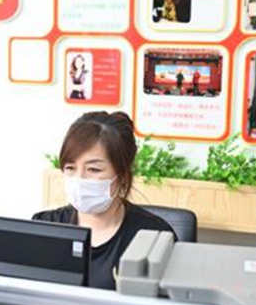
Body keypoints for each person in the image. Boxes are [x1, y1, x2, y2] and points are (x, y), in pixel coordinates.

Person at [33, 112, 177, 290]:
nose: (79, 179)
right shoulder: (45, 226)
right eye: (70, 168)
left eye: (93, 169)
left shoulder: (154, 237)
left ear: (122, 175)